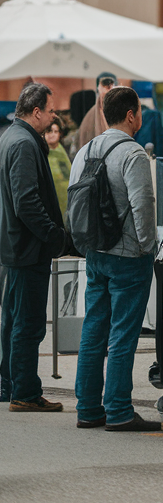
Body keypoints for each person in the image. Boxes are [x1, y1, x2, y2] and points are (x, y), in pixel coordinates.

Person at [69, 86, 162, 432]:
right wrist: (147, 248)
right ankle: (120, 410)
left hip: (95, 253)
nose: (140, 117)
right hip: (127, 257)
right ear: (130, 115)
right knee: (123, 335)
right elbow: (143, 206)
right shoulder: (133, 154)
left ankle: (89, 409)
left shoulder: (85, 151)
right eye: (139, 111)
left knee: (94, 330)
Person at [0, 83, 68, 412]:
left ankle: (11, 384)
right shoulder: (24, 143)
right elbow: (26, 201)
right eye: (52, 110)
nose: (54, 116)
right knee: (28, 323)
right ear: (37, 111)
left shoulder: (12, 137)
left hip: (16, 247)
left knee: (13, 320)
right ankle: (25, 392)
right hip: (28, 249)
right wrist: (54, 235)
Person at [73, 73, 118, 155]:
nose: (110, 89)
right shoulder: (89, 119)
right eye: (106, 85)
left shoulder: (121, 111)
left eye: (112, 86)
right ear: (98, 89)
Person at [45, 118, 72, 222]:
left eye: (56, 131)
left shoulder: (63, 152)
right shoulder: (42, 153)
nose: (52, 134)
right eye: (49, 131)